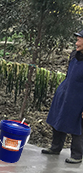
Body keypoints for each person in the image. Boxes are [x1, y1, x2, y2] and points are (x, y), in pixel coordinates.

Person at [42, 30, 83, 164]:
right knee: (58, 120)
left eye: (79, 40)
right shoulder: (74, 55)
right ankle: (55, 148)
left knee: (78, 127)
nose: (76, 43)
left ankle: (77, 155)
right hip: (66, 93)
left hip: (79, 98)